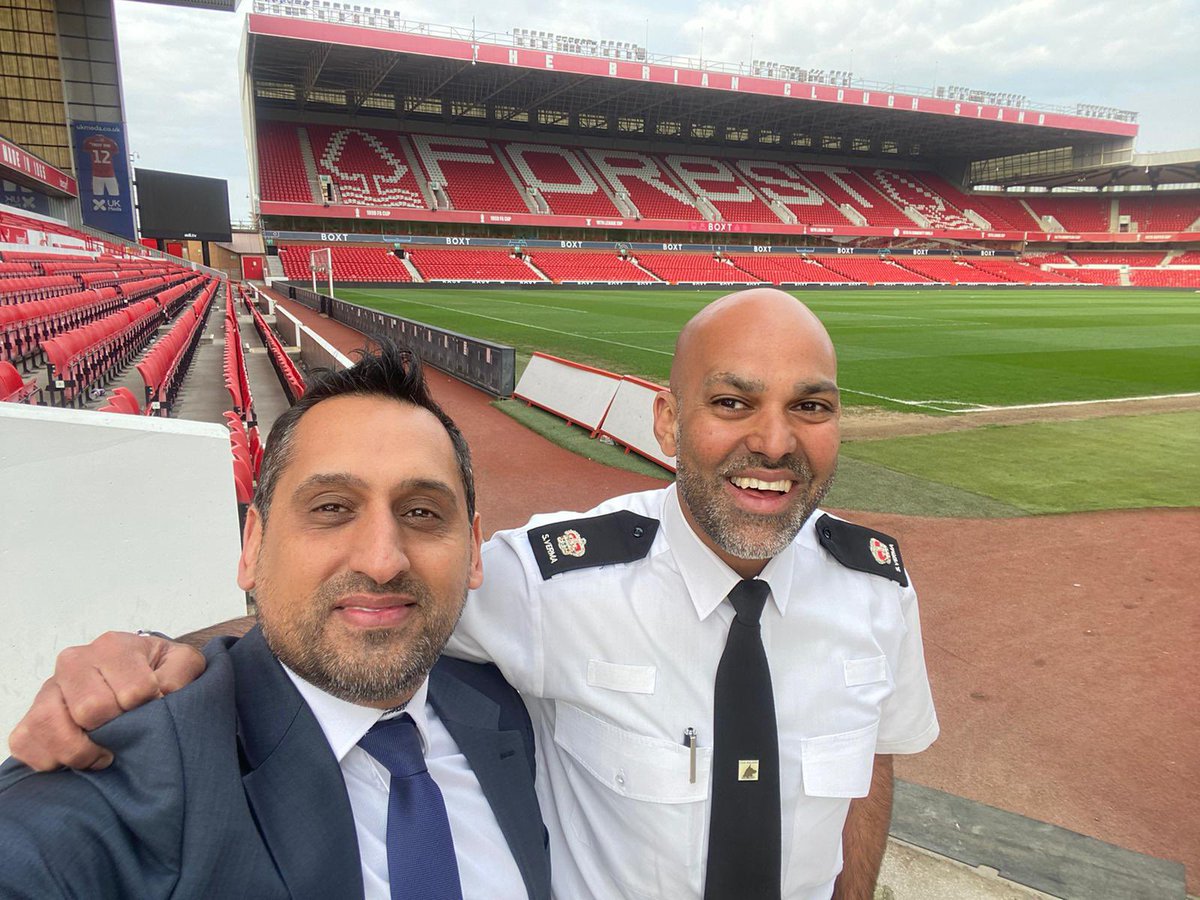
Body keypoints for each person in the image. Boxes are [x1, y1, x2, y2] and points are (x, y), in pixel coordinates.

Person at [10, 288, 937, 900]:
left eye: (811, 406)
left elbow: (874, 759)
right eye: (733, 403)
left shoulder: (878, 589)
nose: (774, 441)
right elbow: (358, 608)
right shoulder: (553, 577)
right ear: (668, 420)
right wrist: (163, 653)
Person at [0, 347, 551, 899]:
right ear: (253, 546)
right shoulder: (138, 768)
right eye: (331, 508)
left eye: (422, 512)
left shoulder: (509, 708)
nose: (383, 560)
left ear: (473, 552)